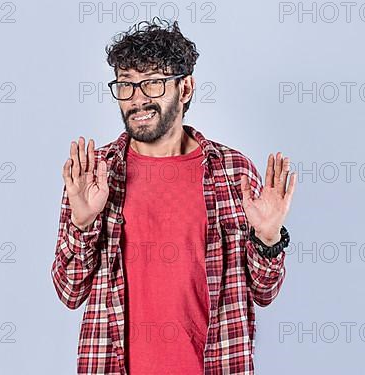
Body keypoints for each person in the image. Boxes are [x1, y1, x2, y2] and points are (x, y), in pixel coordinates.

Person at [51, 18, 297, 375]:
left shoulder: (233, 172)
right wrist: (83, 222)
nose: (137, 100)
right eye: (126, 86)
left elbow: (264, 291)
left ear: (185, 89)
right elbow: (70, 292)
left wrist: (269, 237)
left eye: (152, 83)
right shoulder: (95, 175)